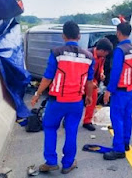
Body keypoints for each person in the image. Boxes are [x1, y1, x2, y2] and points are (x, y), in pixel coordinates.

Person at [30, 21, 94, 174]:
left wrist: (37, 94)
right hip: (77, 101)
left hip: (57, 101)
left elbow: (47, 77)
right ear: (79, 36)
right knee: (71, 131)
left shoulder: (57, 53)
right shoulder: (89, 56)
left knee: (50, 128)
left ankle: (51, 161)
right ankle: (68, 163)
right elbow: (90, 81)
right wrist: (89, 96)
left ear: (63, 36)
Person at [103, 22, 132, 160]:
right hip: (130, 89)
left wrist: (109, 90)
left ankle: (118, 149)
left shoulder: (120, 50)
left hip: (120, 90)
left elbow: (116, 72)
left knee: (116, 118)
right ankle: (125, 143)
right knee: (127, 117)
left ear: (118, 32)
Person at [82, 38, 113, 131]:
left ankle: (87, 121)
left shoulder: (102, 57)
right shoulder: (87, 55)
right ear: (102, 51)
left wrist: (101, 73)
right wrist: (90, 83)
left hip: (94, 80)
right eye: (106, 53)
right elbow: (83, 70)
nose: (106, 55)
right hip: (83, 80)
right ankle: (67, 120)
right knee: (76, 100)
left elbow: (101, 67)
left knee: (93, 99)